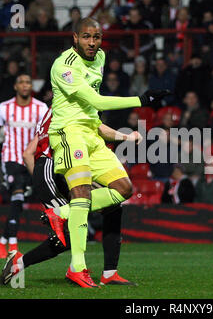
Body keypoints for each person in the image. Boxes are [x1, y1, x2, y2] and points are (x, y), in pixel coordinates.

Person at [47, 17, 169, 288]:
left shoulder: (100, 57)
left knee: (124, 188)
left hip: (92, 133)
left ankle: (63, 214)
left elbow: (92, 110)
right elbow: (96, 100)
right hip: (69, 134)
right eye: (87, 37)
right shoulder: (64, 66)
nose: (93, 43)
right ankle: (77, 267)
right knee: (81, 192)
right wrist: (142, 99)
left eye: (97, 37)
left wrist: (115, 133)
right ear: (75, 38)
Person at [0, 108, 142, 286]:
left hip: (72, 165)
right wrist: (42, 184)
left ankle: (109, 273)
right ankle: (19, 263)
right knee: (65, 237)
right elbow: (30, 152)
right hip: (51, 170)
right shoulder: (67, 105)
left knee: (113, 207)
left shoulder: (66, 103)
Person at [0, 74, 49, 258]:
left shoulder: (40, 108)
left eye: (28, 83)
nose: (25, 85)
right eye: (22, 82)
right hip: (11, 158)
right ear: (16, 86)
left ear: (31, 87)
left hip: (32, 159)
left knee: (19, 200)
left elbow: (45, 134)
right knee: (17, 195)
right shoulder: (4, 107)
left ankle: (2, 240)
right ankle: (13, 246)